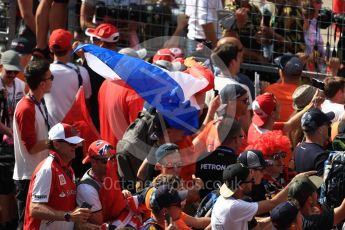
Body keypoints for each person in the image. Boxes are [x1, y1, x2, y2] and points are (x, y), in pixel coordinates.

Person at [24, 122, 96, 230]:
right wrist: (68, 216)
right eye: (71, 143)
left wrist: (78, 223)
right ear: (56, 144)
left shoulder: (69, 169)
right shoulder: (47, 169)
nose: (75, 146)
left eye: (75, 143)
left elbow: (66, 209)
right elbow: (35, 208)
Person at [210, 163, 313, 229]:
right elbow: (273, 203)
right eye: (251, 180)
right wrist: (295, 181)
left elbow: (258, 222)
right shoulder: (233, 206)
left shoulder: (222, 199)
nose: (253, 183)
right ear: (241, 186)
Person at [13, 59, 52, 229]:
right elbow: (31, 147)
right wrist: (56, 142)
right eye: (52, 78)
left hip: (37, 173)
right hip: (29, 177)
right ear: (43, 84)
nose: (53, 80)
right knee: (27, 225)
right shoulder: (26, 108)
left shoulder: (38, 102)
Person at [77, 140, 142, 229]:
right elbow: (99, 223)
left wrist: (122, 195)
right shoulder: (87, 189)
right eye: (105, 161)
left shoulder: (107, 173)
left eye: (112, 158)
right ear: (93, 161)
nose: (111, 163)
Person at [44, 28, 92, 126]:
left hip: (50, 132)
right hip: (74, 132)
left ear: (50, 48)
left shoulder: (43, 72)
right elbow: (87, 103)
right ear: (70, 48)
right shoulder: (82, 72)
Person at [195, 117, 241, 198]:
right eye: (241, 136)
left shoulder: (200, 158)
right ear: (236, 139)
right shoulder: (239, 162)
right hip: (229, 207)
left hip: (203, 206)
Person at [294, 108, 334, 176]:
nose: (329, 126)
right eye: (328, 123)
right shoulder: (321, 156)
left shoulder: (298, 147)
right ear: (321, 129)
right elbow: (325, 185)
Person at [265, 54, 304, 122]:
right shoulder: (306, 94)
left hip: (273, 131)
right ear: (300, 74)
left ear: (281, 73)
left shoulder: (269, 90)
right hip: (294, 131)